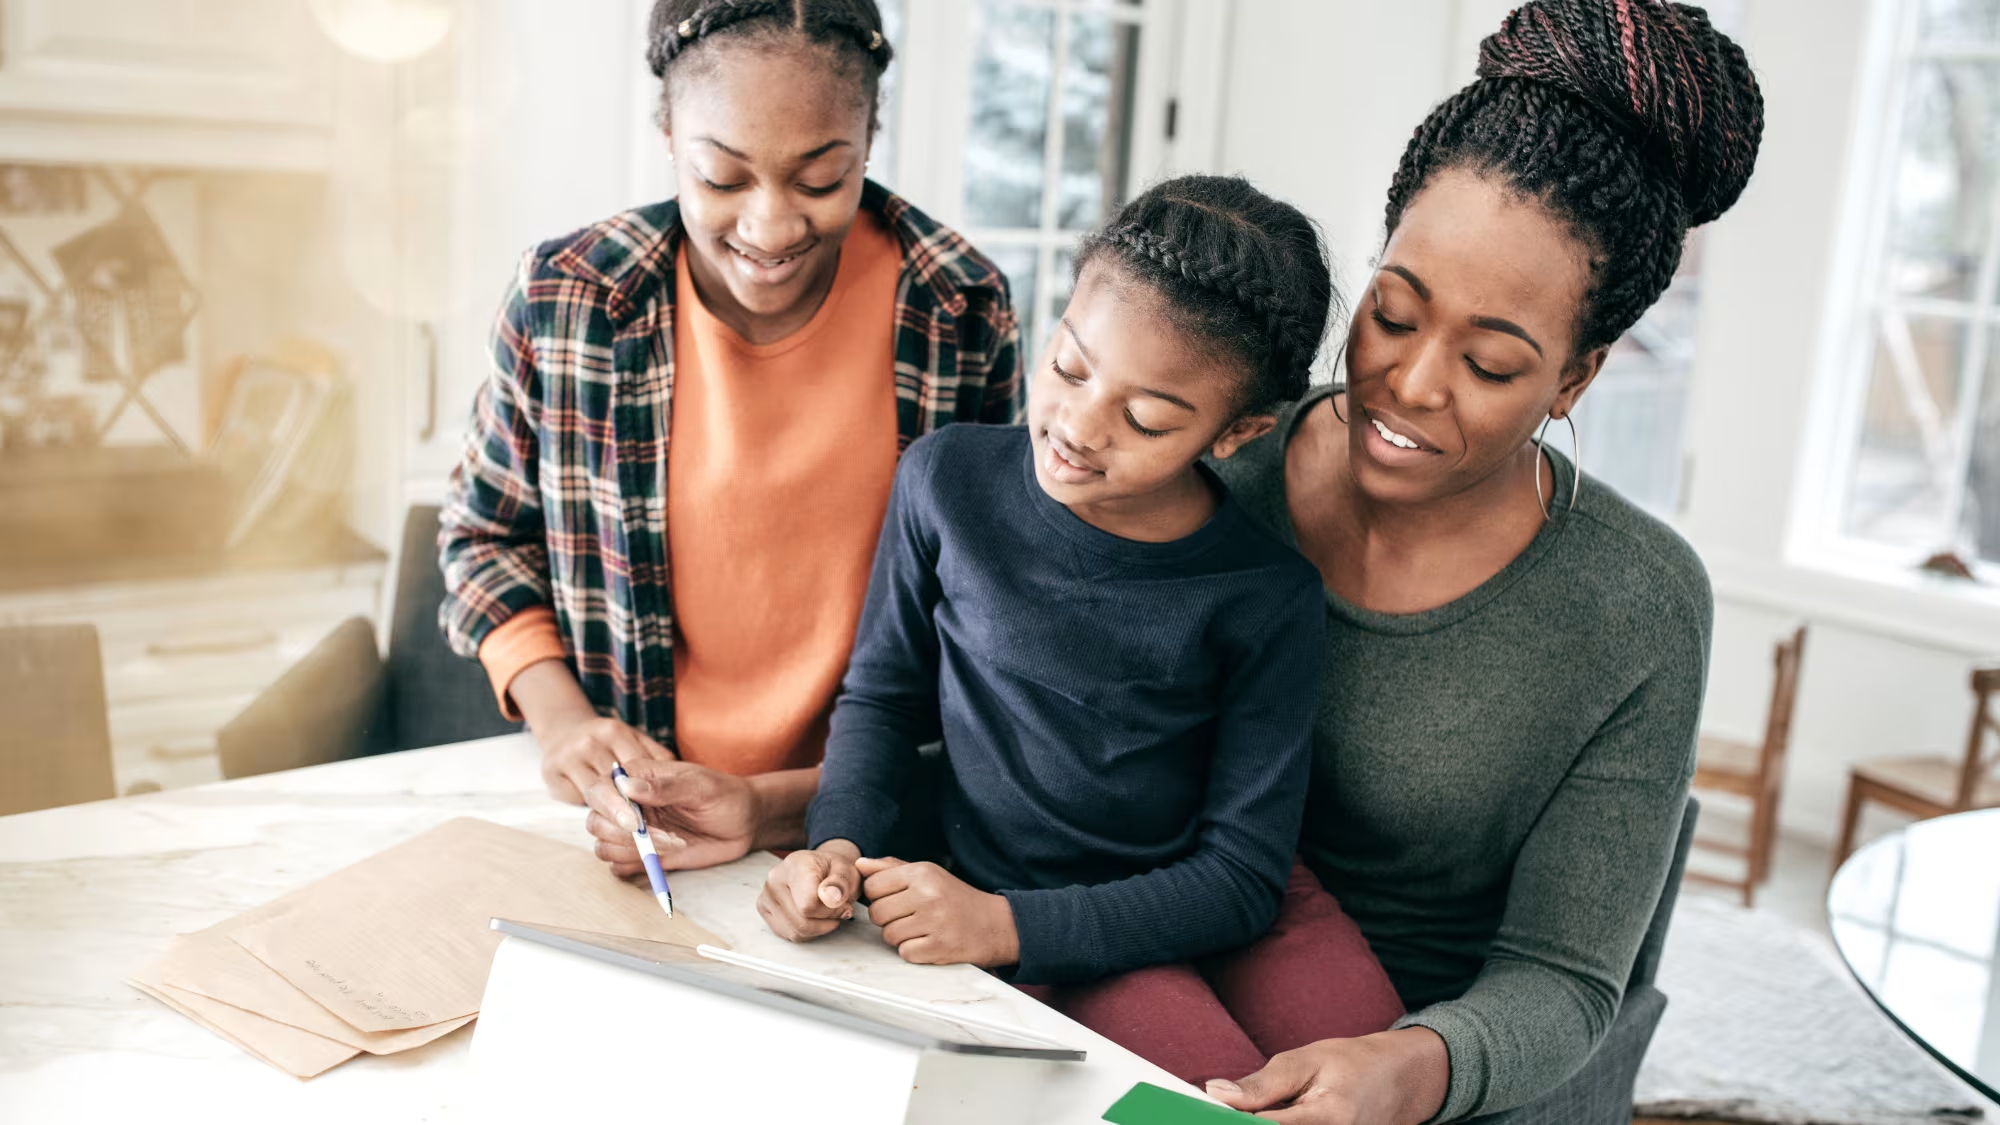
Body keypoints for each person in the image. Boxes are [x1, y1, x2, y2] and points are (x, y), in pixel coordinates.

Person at [1201, 2, 1764, 1122]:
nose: (1409, 386)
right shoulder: (1220, 464)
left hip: (1416, 1053)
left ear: (1575, 377)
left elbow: (1563, 978)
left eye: (1493, 362)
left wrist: (1411, 1067)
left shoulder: (1634, 606)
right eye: (1392, 313)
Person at [754, 175, 1408, 1084]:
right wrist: (838, 847)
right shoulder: (944, 482)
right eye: (1068, 367)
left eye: (1145, 419)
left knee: (1385, 1081)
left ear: (1237, 432)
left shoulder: (1266, 594)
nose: (1077, 427)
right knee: (1199, 1105)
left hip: (1226, 894)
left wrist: (1003, 927)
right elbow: (883, 696)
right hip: (1053, 909)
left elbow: (1244, 876)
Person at [438, 0, 1021, 871]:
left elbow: (989, 614)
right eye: (723, 178)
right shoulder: (566, 301)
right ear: (669, 132)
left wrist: (794, 808)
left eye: (823, 179)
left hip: (863, 836)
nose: (771, 226)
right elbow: (484, 537)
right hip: (632, 823)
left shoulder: (958, 308)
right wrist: (562, 719)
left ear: (870, 139)